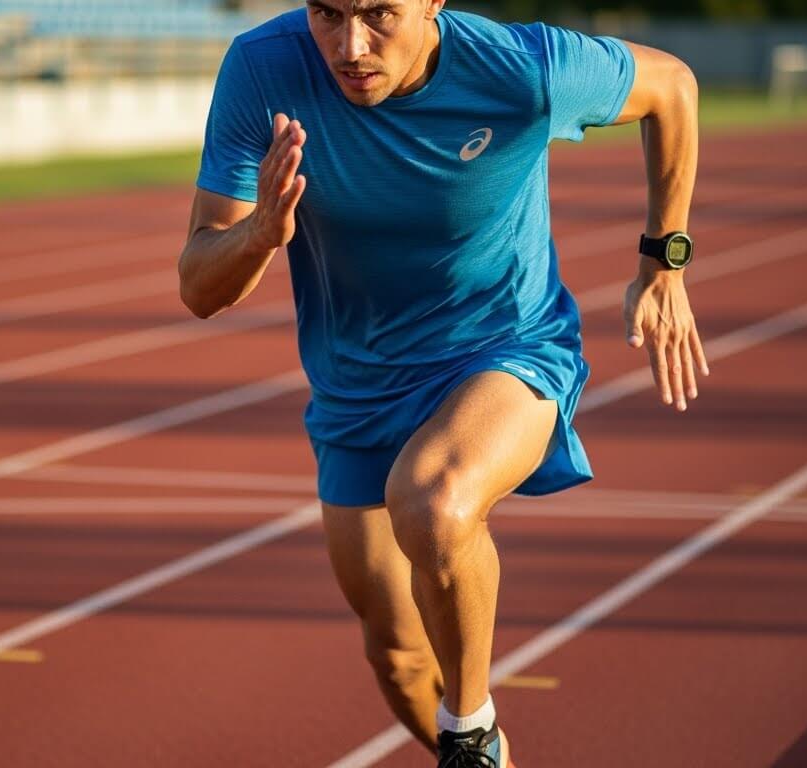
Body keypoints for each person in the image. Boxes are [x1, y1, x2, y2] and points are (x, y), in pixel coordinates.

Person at [178, 1, 706, 765]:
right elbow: (199, 288)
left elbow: (674, 88)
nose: (349, 46)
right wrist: (259, 232)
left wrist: (664, 262)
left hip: (504, 348)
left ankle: (470, 726)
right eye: (326, 13)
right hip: (356, 385)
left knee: (429, 501)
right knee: (396, 659)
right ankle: (476, 752)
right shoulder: (263, 69)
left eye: (377, 14)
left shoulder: (525, 69)